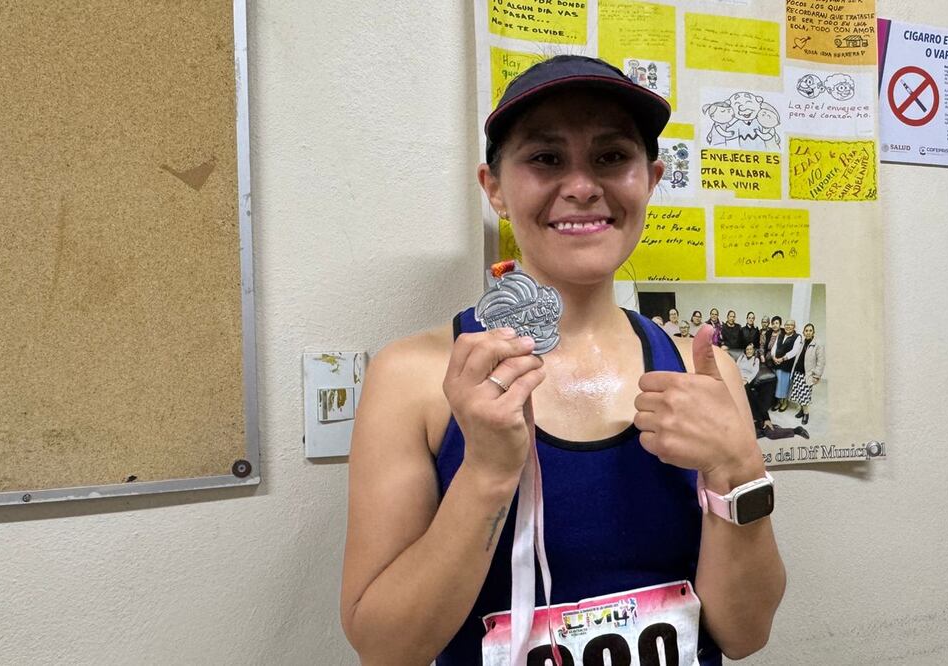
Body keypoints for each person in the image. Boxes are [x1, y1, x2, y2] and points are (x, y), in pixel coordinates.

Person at [340, 55, 784, 666]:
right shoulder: (413, 378)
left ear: (651, 179)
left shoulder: (703, 372)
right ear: (494, 188)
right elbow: (385, 648)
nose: (581, 186)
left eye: (611, 156)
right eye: (546, 158)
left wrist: (738, 468)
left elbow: (745, 634)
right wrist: (486, 473)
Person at [788, 323, 824, 425]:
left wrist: (816, 376)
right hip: (798, 372)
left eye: (810, 330)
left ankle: (806, 414)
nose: (808, 332)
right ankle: (801, 410)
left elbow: (821, 362)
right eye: (806, 330)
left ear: (813, 332)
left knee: (805, 396)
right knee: (799, 394)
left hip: (807, 375)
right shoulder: (802, 343)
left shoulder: (817, 345)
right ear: (804, 332)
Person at [766, 319, 800, 412]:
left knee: (785, 384)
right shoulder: (780, 335)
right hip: (777, 363)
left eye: (791, 325)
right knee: (778, 384)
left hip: (787, 364)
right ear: (784, 326)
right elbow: (774, 347)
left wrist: (783, 358)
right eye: (787, 325)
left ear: (794, 327)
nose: (788, 327)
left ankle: (785, 402)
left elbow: (794, 351)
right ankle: (778, 402)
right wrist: (774, 357)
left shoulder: (797, 337)